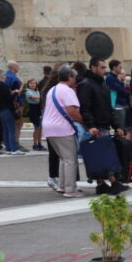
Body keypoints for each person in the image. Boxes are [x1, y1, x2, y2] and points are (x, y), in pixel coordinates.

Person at [77, 57, 127, 194]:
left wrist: (116, 126)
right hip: (95, 126)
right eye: (102, 67)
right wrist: (90, 125)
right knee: (101, 155)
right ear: (92, 68)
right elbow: (85, 108)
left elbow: (108, 107)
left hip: (104, 124)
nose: (105, 70)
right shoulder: (86, 84)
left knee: (103, 155)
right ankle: (111, 183)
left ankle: (102, 184)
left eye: (105, 67)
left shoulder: (103, 84)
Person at [42, 65, 85, 197]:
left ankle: (62, 185)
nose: (75, 79)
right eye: (74, 77)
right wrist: (84, 122)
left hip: (49, 128)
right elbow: (71, 110)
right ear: (69, 77)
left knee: (63, 158)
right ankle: (70, 189)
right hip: (62, 129)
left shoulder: (52, 89)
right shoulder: (67, 90)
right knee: (70, 159)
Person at [0, 71, 22, 155]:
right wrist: (15, 93)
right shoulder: (3, 85)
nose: (6, 77)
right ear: (2, 76)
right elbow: (9, 99)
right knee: (11, 130)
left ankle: (8, 149)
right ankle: (14, 150)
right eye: (4, 75)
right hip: (7, 110)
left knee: (5, 130)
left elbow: (2, 97)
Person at [24, 78, 43, 151]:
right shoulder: (27, 91)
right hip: (33, 110)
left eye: (34, 83)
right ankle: (35, 144)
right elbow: (32, 97)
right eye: (31, 83)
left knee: (40, 128)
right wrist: (42, 97)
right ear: (28, 84)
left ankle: (40, 143)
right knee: (37, 128)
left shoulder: (37, 91)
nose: (32, 84)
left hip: (39, 109)